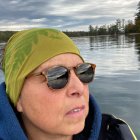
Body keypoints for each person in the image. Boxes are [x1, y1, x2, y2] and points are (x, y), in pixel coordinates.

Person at [0, 28, 137, 140]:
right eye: (57, 76)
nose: (78, 88)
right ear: (18, 98)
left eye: (83, 72)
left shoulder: (116, 134)